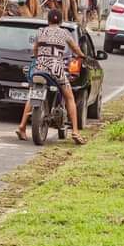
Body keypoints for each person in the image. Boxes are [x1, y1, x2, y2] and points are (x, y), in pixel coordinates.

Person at [16, 9, 87, 145]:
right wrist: (82, 55)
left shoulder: (40, 31)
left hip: (39, 67)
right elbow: (75, 49)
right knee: (70, 97)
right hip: (56, 69)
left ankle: (22, 126)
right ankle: (76, 131)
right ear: (60, 21)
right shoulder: (64, 33)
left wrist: (38, 56)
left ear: (48, 21)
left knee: (32, 95)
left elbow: (35, 49)